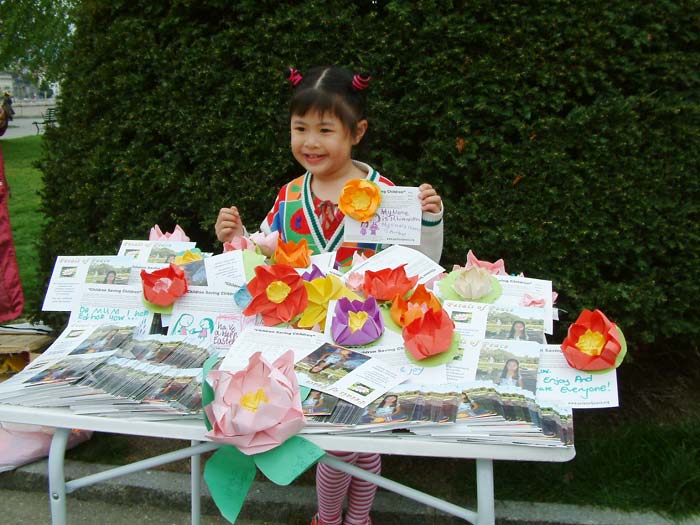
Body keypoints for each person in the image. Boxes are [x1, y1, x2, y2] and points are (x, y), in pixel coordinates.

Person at [215, 65, 444, 525]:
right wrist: (237, 238)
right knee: (340, 442)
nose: (310, 142)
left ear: (357, 132)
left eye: (325, 130)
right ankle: (339, 519)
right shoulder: (289, 196)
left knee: (355, 442)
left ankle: (345, 519)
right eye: (300, 128)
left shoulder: (386, 195)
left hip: (368, 337)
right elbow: (266, 257)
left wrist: (429, 220)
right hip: (306, 339)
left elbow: (423, 264)